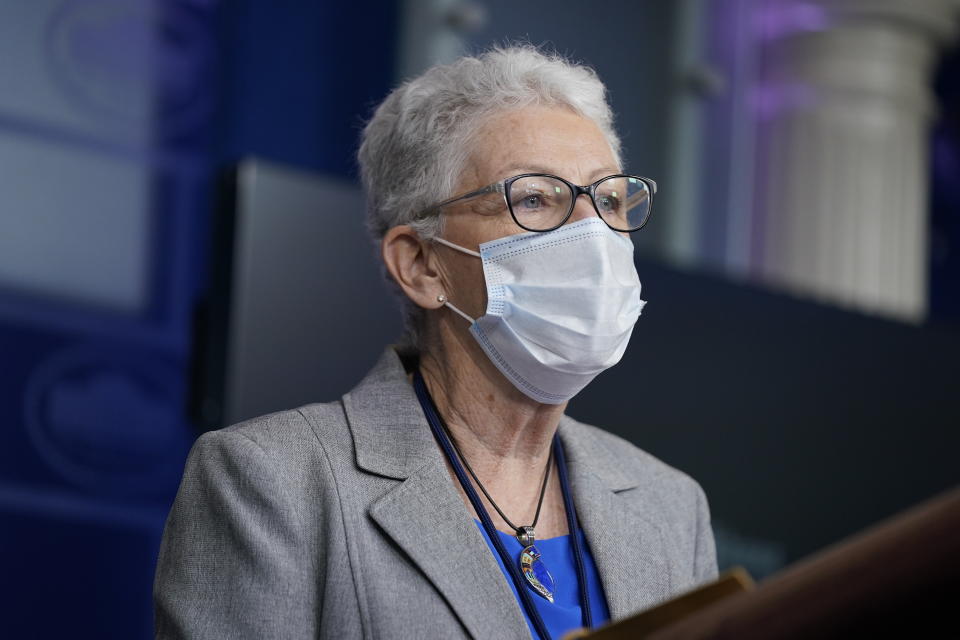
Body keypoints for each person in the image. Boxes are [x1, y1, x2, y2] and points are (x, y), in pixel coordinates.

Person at [154, 45, 717, 640]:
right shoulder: (272, 481)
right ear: (422, 264)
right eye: (533, 200)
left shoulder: (670, 507)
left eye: (607, 200)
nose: (593, 238)